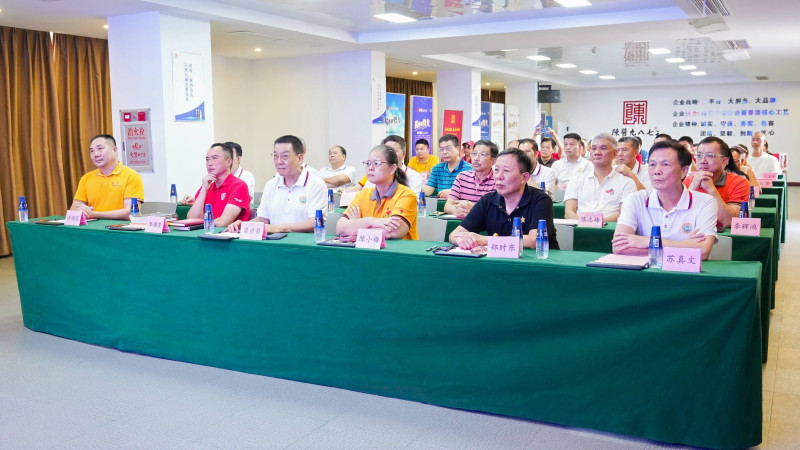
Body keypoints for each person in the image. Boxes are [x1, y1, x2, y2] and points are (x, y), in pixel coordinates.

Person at [612, 140, 717, 260]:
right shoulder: (635, 199)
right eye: (652, 164)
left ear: (684, 171)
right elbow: (619, 248)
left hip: (686, 271)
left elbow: (703, 251)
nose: (657, 171)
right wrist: (684, 245)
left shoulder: (705, 202)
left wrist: (647, 241)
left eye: (666, 164)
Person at [449, 148, 559, 250]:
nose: (499, 176)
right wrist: (461, 240)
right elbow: (453, 234)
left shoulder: (541, 200)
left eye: (506, 171)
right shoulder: (488, 200)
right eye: (496, 170)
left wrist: (484, 240)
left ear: (524, 177)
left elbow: (534, 240)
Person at [227, 135, 326, 233]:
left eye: (285, 156)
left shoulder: (316, 184)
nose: (279, 161)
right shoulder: (271, 185)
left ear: (300, 158)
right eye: (275, 156)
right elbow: (263, 219)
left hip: (304, 242)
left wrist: (277, 228)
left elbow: (314, 222)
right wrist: (245, 225)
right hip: (274, 240)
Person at [336, 144, 418, 240]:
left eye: (376, 163)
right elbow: (340, 228)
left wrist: (356, 225)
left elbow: (391, 231)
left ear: (392, 168)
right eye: (368, 163)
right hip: (365, 248)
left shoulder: (406, 195)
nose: (370, 168)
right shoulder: (362, 194)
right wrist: (370, 221)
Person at [564, 133, 636, 222]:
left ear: (614, 153)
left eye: (603, 148)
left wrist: (596, 223)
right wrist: (585, 224)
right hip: (580, 228)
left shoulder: (627, 183)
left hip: (611, 228)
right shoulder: (576, 180)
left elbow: (625, 214)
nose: (597, 152)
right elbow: (569, 212)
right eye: (594, 148)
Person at [70, 134, 144, 220]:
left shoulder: (131, 176)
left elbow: (130, 212)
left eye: (100, 149)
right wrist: (80, 211)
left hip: (122, 227)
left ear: (114, 150)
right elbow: (74, 208)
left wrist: (95, 214)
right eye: (92, 151)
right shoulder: (86, 178)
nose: (96, 154)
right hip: (93, 226)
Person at [683, 136, 750, 228]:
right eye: (699, 155)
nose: (703, 161)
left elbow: (728, 221)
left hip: (722, 236)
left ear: (724, 161)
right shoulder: (686, 182)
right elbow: (677, 219)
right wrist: (692, 188)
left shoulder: (739, 183)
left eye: (710, 155)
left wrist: (711, 190)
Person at [186, 143, 251, 227]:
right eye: (207, 159)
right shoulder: (206, 186)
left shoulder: (239, 185)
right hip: (207, 232)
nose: (209, 163)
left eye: (214, 158)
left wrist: (199, 222)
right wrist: (203, 190)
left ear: (229, 162)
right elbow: (192, 219)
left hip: (226, 234)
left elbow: (223, 222)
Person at [354, 135, 423, 195]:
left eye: (394, 151)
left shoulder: (415, 177)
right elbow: (366, 197)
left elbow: (413, 202)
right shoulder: (376, 174)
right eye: (386, 151)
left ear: (403, 155)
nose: (389, 155)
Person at [444, 140, 498, 217]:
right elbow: (447, 206)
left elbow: (498, 213)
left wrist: (474, 210)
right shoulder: (462, 177)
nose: (476, 158)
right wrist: (455, 210)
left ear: (493, 161)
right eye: (474, 154)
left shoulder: (499, 181)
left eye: (482, 155)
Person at [424, 134, 473, 198]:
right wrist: (416, 189)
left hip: (460, 203)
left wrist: (454, 192)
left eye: (448, 148)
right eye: (442, 149)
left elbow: (472, 192)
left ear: (457, 149)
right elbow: (429, 189)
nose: (444, 152)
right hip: (441, 203)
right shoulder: (436, 169)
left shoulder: (469, 169)